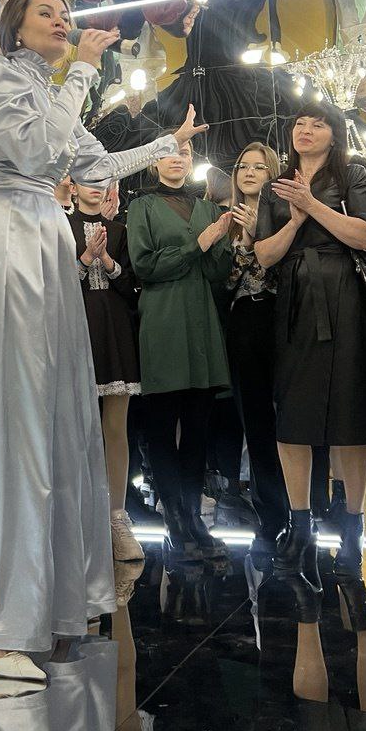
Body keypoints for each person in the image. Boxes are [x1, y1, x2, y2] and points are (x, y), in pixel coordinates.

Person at [0, 0, 205, 686]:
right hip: (6, 234)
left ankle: (42, 601)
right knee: (12, 419)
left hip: (40, 237)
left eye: (65, 12)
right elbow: (38, 149)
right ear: (14, 26)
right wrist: (83, 70)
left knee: (52, 418)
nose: (62, 20)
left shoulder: (44, 87)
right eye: (46, 13)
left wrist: (165, 146)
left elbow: (92, 165)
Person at [254, 103, 366, 603]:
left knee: (350, 410)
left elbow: (365, 235)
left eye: (318, 123)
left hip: (345, 296)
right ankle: (300, 522)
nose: (305, 130)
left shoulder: (352, 173)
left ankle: (352, 525)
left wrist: (313, 204)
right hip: (294, 300)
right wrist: (294, 220)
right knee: (293, 413)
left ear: (334, 133)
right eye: (300, 123)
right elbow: (264, 255)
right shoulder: (276, 185)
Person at [126, 138, 234, 567]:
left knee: (197, 428)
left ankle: (193, 517)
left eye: (185, 154)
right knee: (160, 427)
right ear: (154, 163)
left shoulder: (207, 208)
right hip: (162, 322)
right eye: (169, 153)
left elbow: (218, 271)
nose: (177, 159)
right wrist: (198, 245)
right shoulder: (142, 207)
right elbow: (145, 266)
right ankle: (173, 517)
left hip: (202, 323)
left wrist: (221, 242)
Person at [216, 144, 289, 555]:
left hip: (283, 319)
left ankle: (302, 506)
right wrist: (242, 239)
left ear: (272, 173)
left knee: (290, 419)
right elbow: (227, 281)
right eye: (242, 166)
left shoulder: (286, 214)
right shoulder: (225, 219)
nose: (248, 172)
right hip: (244, 321)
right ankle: (270, 512)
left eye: (259, 167)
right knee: (256, 421)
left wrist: (258, 235)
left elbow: (279, 268)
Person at [69, 180, 143, 566]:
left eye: (102, 181)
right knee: (75, 428)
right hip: (76, 330)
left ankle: (117, 517)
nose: (95, 187)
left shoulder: (120, 230)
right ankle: (77, 517)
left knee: (116, 426)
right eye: (88, 179)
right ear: (73, 184)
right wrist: (85, 259)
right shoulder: (59, 226)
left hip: (115, 330)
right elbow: (55, 286)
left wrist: (110, 263)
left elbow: (133, 287)